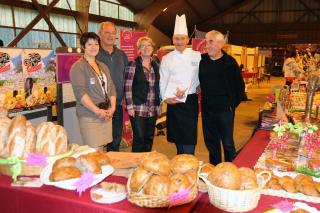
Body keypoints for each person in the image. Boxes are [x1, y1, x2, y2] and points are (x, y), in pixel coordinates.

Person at [199, 30, 245, 165]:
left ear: (220, 44)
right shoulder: (202, 61)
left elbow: (240, 87)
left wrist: (231, 105)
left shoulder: (230, 62)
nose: (207, 45)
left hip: (225, 110)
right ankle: (215, 169)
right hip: (208, 110)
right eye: (206, 42)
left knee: (228, 142)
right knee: (211, 143)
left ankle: (231, 168)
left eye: (210, 42)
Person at [160, 14, 201, 155]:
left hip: (190, 101)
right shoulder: (167, 58)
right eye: (176, 38)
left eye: (182, 38)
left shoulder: (197, 56)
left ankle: (189, 159)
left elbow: (203, 76)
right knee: (177, 134)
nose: (179, 41)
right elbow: (163, 80)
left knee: (189, 135)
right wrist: (165, 98)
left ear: (187, 39)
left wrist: (201, 86)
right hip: (174, 101)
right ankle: (180, 156)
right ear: (172, 39)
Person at [70, 32, 116, 150]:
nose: (93, 47)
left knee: (103, 150)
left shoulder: (103, 66)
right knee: (94, 152)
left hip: (106, 114)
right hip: (90, 115)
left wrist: (112, 109)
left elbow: (111, 88)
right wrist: (97, 111)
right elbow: (80, 93)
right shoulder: (78, 67)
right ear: (83, 47)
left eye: (96, 44)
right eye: (89, 44)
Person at [124, 36, 161, 152]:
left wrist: (159, 104)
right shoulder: (133, 64)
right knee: (139, 138)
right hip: (138, 108)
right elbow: (128, 86)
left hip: (152, 108)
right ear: (139, 49)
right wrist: (130, 106)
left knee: (149, 138)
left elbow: (158, 86)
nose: (146, 48)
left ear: (152, 48)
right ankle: (136, 165)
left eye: (149, 45)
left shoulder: (156, 65)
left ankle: (146, 164)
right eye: (143, 46)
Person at [96, 21, 128, 151]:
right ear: (100, 34)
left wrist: (126, 96)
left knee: (115, 138)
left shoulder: (121, 55)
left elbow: (127, 77)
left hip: (118, 104)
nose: (110, 36)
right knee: (99, 140)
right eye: (107, 32)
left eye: (113, 33)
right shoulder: (95, 54)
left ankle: (113, 166)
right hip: (99, 105)